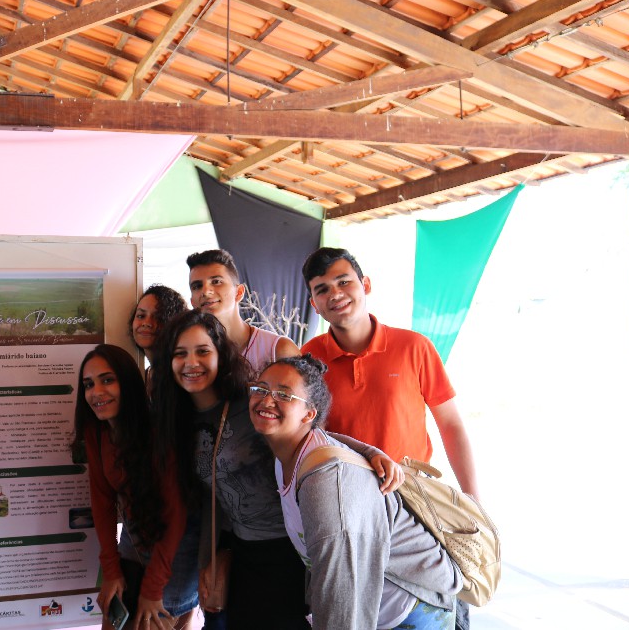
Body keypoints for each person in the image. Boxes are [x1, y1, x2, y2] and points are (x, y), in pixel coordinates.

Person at [152, 310, 396, 629]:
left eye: (202, 351)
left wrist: (369, 452)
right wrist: (209, 559)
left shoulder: (251, 402)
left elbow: (307, 434)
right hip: (242, 549)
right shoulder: (178, 418)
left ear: (221, 354)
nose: (191, 362)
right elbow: (213, 495)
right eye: (180, 353)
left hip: (288, 547)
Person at [249, 355, 462, 630]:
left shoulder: (324, 485)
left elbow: (340, 591)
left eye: (284, 395)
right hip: (376, 609)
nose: (267, 400)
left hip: (411, 610)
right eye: (261, 389)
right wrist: (371, 451)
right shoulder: (291, 448)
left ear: (309, 414)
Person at [300, 247, 480, 498]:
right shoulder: (308, 358)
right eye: (322, 289)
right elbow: (304, 434)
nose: (335, 294)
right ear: (314, 304)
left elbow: (450, 424)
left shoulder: (414, 347)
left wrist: (473, 499)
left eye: (344, 282)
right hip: (343, 492)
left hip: (414, 491)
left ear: (365, 285)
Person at [75, 344, 198, 630]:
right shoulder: (96, 430)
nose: (96, 392)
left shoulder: (158, 431)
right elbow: (102, 502)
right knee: (113, 621)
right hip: (134, 537)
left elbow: (175, 513)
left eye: (108, 380)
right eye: (89, 384)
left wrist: (153, 588)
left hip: (176, 544)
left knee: (150, 621)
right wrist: (111, 570)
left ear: (128, 383)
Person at [186, 250, 299, 374]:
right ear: (192, 302)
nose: (206, 292)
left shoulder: (278, 350)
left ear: (239, 292)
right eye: (197, 286)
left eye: (216, 282)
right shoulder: (190, 357)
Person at [129, 284, 187, 374]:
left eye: (158, 317)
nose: (146, 323)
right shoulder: (147, 373)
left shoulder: (181, 374)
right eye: (141, 316)